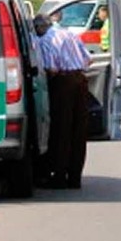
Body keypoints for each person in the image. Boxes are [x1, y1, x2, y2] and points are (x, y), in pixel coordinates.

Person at [34, 14, 92, 189]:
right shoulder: (69, 34)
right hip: (80, 81)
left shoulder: (45, 41)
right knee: (78, 131)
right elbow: (88, 59)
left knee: (61, 130)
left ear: (39, 28)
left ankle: (58, 176)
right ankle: (75, 177)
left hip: (62, 83)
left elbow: (51, 69)